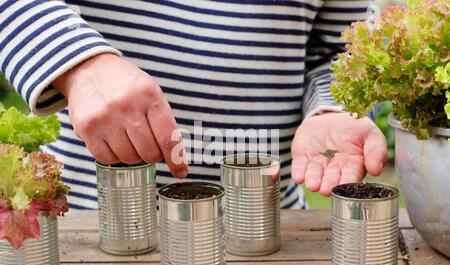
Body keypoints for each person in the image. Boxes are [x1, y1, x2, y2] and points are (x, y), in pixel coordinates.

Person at [0, 0, 387, 210]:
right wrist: (80, 64)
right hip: (91, 223)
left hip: (268, 226)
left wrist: (334, 108)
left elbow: (339, 49)